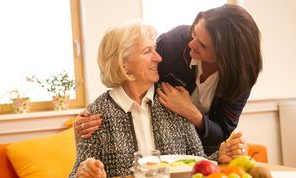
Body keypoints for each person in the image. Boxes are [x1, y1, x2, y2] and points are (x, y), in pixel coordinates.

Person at [74, 4, 261, 155]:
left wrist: (191, 113)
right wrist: (84, 121)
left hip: (205, 147)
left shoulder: (241, 76)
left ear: (225, 55)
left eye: (202, 45)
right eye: (194, 33)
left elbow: (219, 134)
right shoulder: (172, 46)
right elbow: (134, 76)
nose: (191, 44)